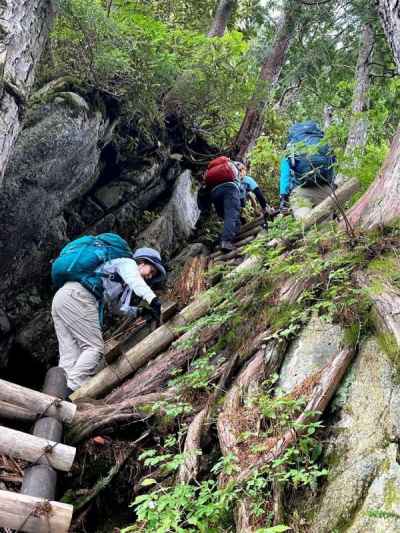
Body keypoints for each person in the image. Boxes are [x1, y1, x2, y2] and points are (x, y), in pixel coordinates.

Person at [51, 236, 166, 395]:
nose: (150, 276)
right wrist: (153, 299)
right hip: (79, 296)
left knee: (71, 355)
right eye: (151, 271)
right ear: (142, 262)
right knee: (95, 348)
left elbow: (116, 308)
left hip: (63, 297)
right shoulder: (127, 263)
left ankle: (54, 394)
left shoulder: (119, 277)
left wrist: (139, 311)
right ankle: (64, 396)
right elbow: (136, 282)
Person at [279, 121, 336, 221]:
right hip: (325, 190)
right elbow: (333, 165)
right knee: (326, 229)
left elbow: (285, 174)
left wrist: (283, 197)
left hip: (300, 191)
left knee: (305, 225)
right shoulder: (323, 143)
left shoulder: (291, 146)